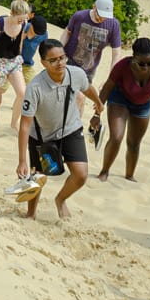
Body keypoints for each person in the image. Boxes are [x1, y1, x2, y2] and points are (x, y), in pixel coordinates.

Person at [16, 39, 105, 220]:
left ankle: (60, 199)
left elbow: (87, 89)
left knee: (81, 174)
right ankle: (31, 214)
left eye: (63, 57)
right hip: (41, 136)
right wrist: (22, 161)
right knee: (37, 178)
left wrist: (98, 102)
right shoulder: (35, 87)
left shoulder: (76, 74)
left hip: (70, 129)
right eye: (54, 60)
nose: (60, 63)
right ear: (43, 63)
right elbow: (25, 125)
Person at [94, 37, 150, 182]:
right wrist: (96, 114)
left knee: (134, 143)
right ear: (133, 58)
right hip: (119, 99)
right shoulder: (122, 66)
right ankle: (104, 171)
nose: (146, 67)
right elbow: (107, 88)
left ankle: (129, 175)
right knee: (117, 137)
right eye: (141, 63)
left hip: (143, 104)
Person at [0, 0, 31, 136]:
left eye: (24, 19)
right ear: (12, 13)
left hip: (13, 61)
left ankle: (14, 123)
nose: (22, 22)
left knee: (22, 93)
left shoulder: (23, 24)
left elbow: (19, 42)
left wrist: (20, 57)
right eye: (19, 19)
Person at [62, 0, 122, 83]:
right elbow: (67, 32)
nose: (102, 19)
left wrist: (111, 79)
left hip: (90, 68)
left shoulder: (114, 25)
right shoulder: (79, 16)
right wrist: (59, 50)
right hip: (70, 61)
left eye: (106, 17)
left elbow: (116, 54)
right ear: (94, 7)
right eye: (100, 15)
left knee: (81, 95)